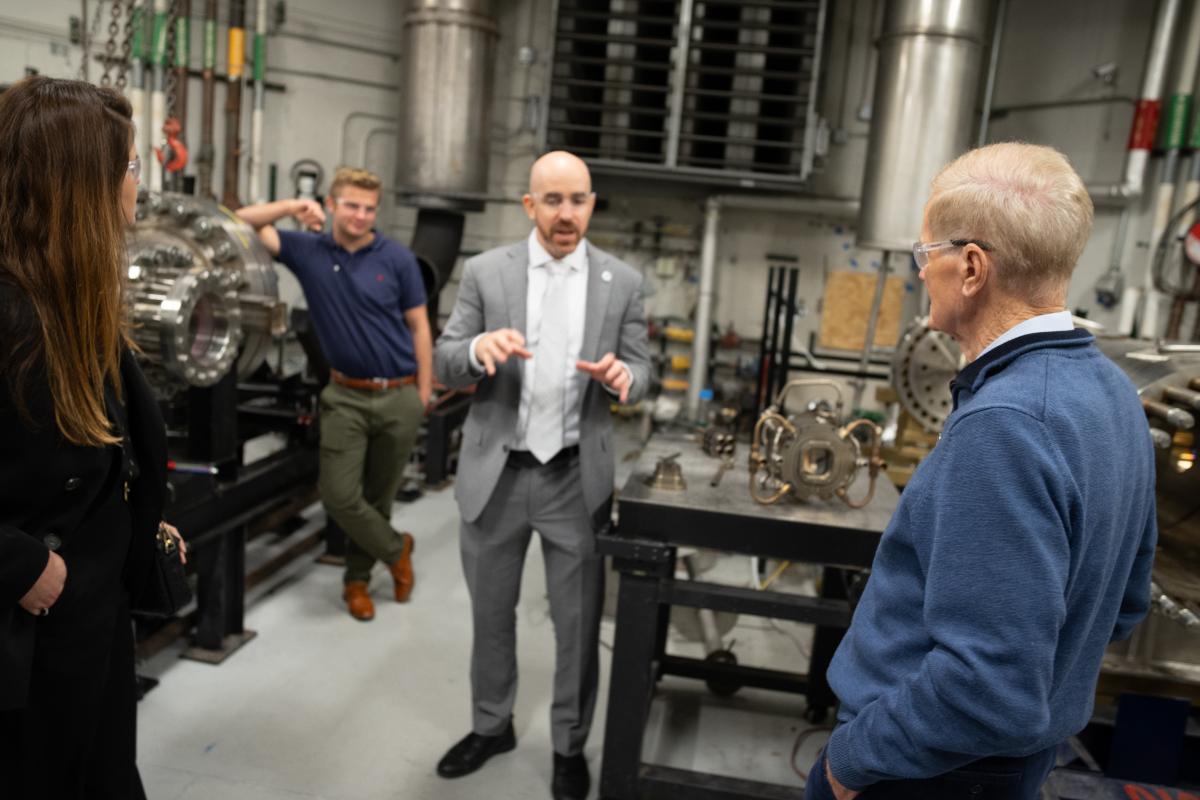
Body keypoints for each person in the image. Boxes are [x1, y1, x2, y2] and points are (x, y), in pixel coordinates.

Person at [806, 142, 1157, 800]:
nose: (919, 276)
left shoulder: (1006, 425)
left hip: (926, 772)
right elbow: (1124, 603)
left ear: (971, 267)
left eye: (924, 256)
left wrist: (851, 760)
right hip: (1009, 763)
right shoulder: (1113, 393)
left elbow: (983, 689)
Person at [433, 151, 651, 800]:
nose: (566, 214)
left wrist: (624, 379)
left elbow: (643, 368)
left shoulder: (623, 281)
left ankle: (567, 744)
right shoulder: (484, 273)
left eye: (578, 200)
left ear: (591, 203)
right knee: (491, 616)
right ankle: (491, 725)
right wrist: (477, 351)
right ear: (529, 206)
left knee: (578, 625)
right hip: (496, 474)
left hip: (574, 478)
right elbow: (445, 361)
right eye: (552, 200)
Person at [0, 76, 182, 799]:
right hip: (32, 634)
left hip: (91, 622)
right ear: (83, 183)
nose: (139, 184)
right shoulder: (10, 312)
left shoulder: (69, 293)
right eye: (133, 166)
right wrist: (17, 567)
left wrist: (142, 514)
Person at [236, 168, 432, 621]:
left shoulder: (397, 259)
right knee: (340, 494)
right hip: (344, 394)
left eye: (369, 208)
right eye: (351, 205)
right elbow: (239, 221)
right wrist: (289, 207)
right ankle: (395, 548)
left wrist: (423, 392)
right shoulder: (309, 251)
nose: (361, 216)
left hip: (400, 393)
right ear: (330, 204)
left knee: (379, 496)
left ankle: (356, 583)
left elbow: (420, 326)